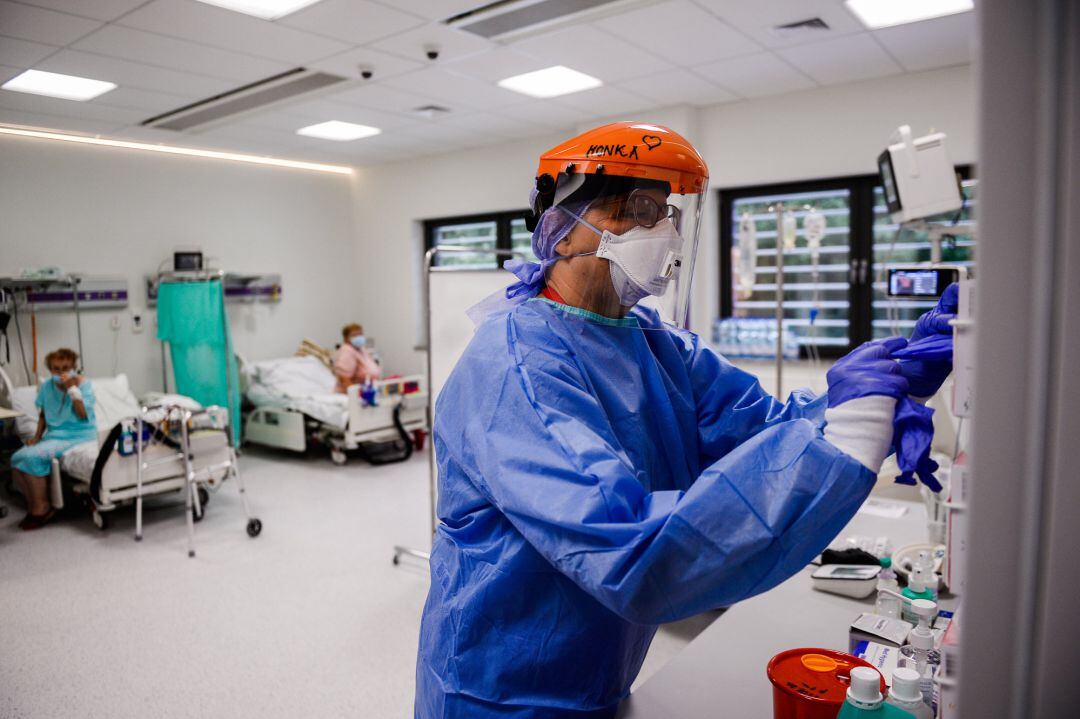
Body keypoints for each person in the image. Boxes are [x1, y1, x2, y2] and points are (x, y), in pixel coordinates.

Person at [414, 122, 953, 718]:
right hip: (500, 689)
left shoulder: (657, 344)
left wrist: (888, 377)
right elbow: (627, 549)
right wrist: (852, 434)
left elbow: (768, 432)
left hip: (599, 668)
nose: (662, 231)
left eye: (666, 211)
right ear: (562, 232)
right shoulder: (516, 365)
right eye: (636, 210)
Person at [11, 348, 96, 530]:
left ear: (74, 367)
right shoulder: (47, 386)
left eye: (66, 368)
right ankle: (38, 504)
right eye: (56, 369)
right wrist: (36, 437)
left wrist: (72, 389)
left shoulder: (84, 385)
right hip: (54, 436)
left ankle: (41, 509)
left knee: (32, 457)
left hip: (78, 436)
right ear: (50, 370)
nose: (61, 373)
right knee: (16, 459)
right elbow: (43, 414)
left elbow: (83, 415)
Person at [333, 323, 380, 394]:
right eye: (354, 335)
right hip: (350, 396)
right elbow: (344, 378)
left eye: (360, 334)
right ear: (346, 338)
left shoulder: (360, 349)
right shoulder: (347, 351)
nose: (359, 337)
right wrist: (357, 396)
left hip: (366, 391)